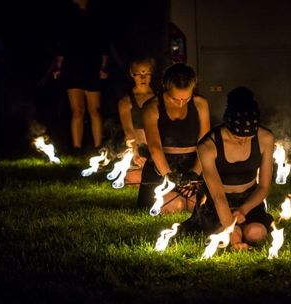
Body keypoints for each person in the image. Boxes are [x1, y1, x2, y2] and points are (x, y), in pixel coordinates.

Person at [181, 86, 275, 250]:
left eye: (249, 137)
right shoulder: (208, 145)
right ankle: (232, 232)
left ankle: (242, 228)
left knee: (256, 232)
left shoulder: (265, 138)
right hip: (217, 203)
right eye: (238, 137)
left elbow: (264, 186)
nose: (243, 141)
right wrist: (233, 236)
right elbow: (218, 196)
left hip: (249, 201)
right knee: (230, 234)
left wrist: (243, 210)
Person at [137, 63, 210, 213]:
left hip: (193, 164)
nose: (181, 103)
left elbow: (205, 143)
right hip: (161, 167)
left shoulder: (200, 104)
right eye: (176, 99)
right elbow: (155, 147)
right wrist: (169, 175)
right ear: (166, 87)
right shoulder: (152, 107)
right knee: (176, 205)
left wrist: (195, 173)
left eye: (186, 99)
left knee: (195, 204)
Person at [52, 0, 110, 155]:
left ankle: (98, 147)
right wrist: (58, 66)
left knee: (95, 110)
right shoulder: (68, 16)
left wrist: (104, 66)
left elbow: (103, 43)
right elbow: (62, 44)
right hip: (73, 67)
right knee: (77, 110)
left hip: (92, 65)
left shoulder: (96, 15)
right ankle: (77, 148)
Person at [117, 57, 157, 184]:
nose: (143, 78)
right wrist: (135, 153)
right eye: (138, 74)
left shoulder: (160, 97)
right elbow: (128, 129)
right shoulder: (126, 101)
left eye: (146, 74)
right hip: (137, 147)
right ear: (132, 74)